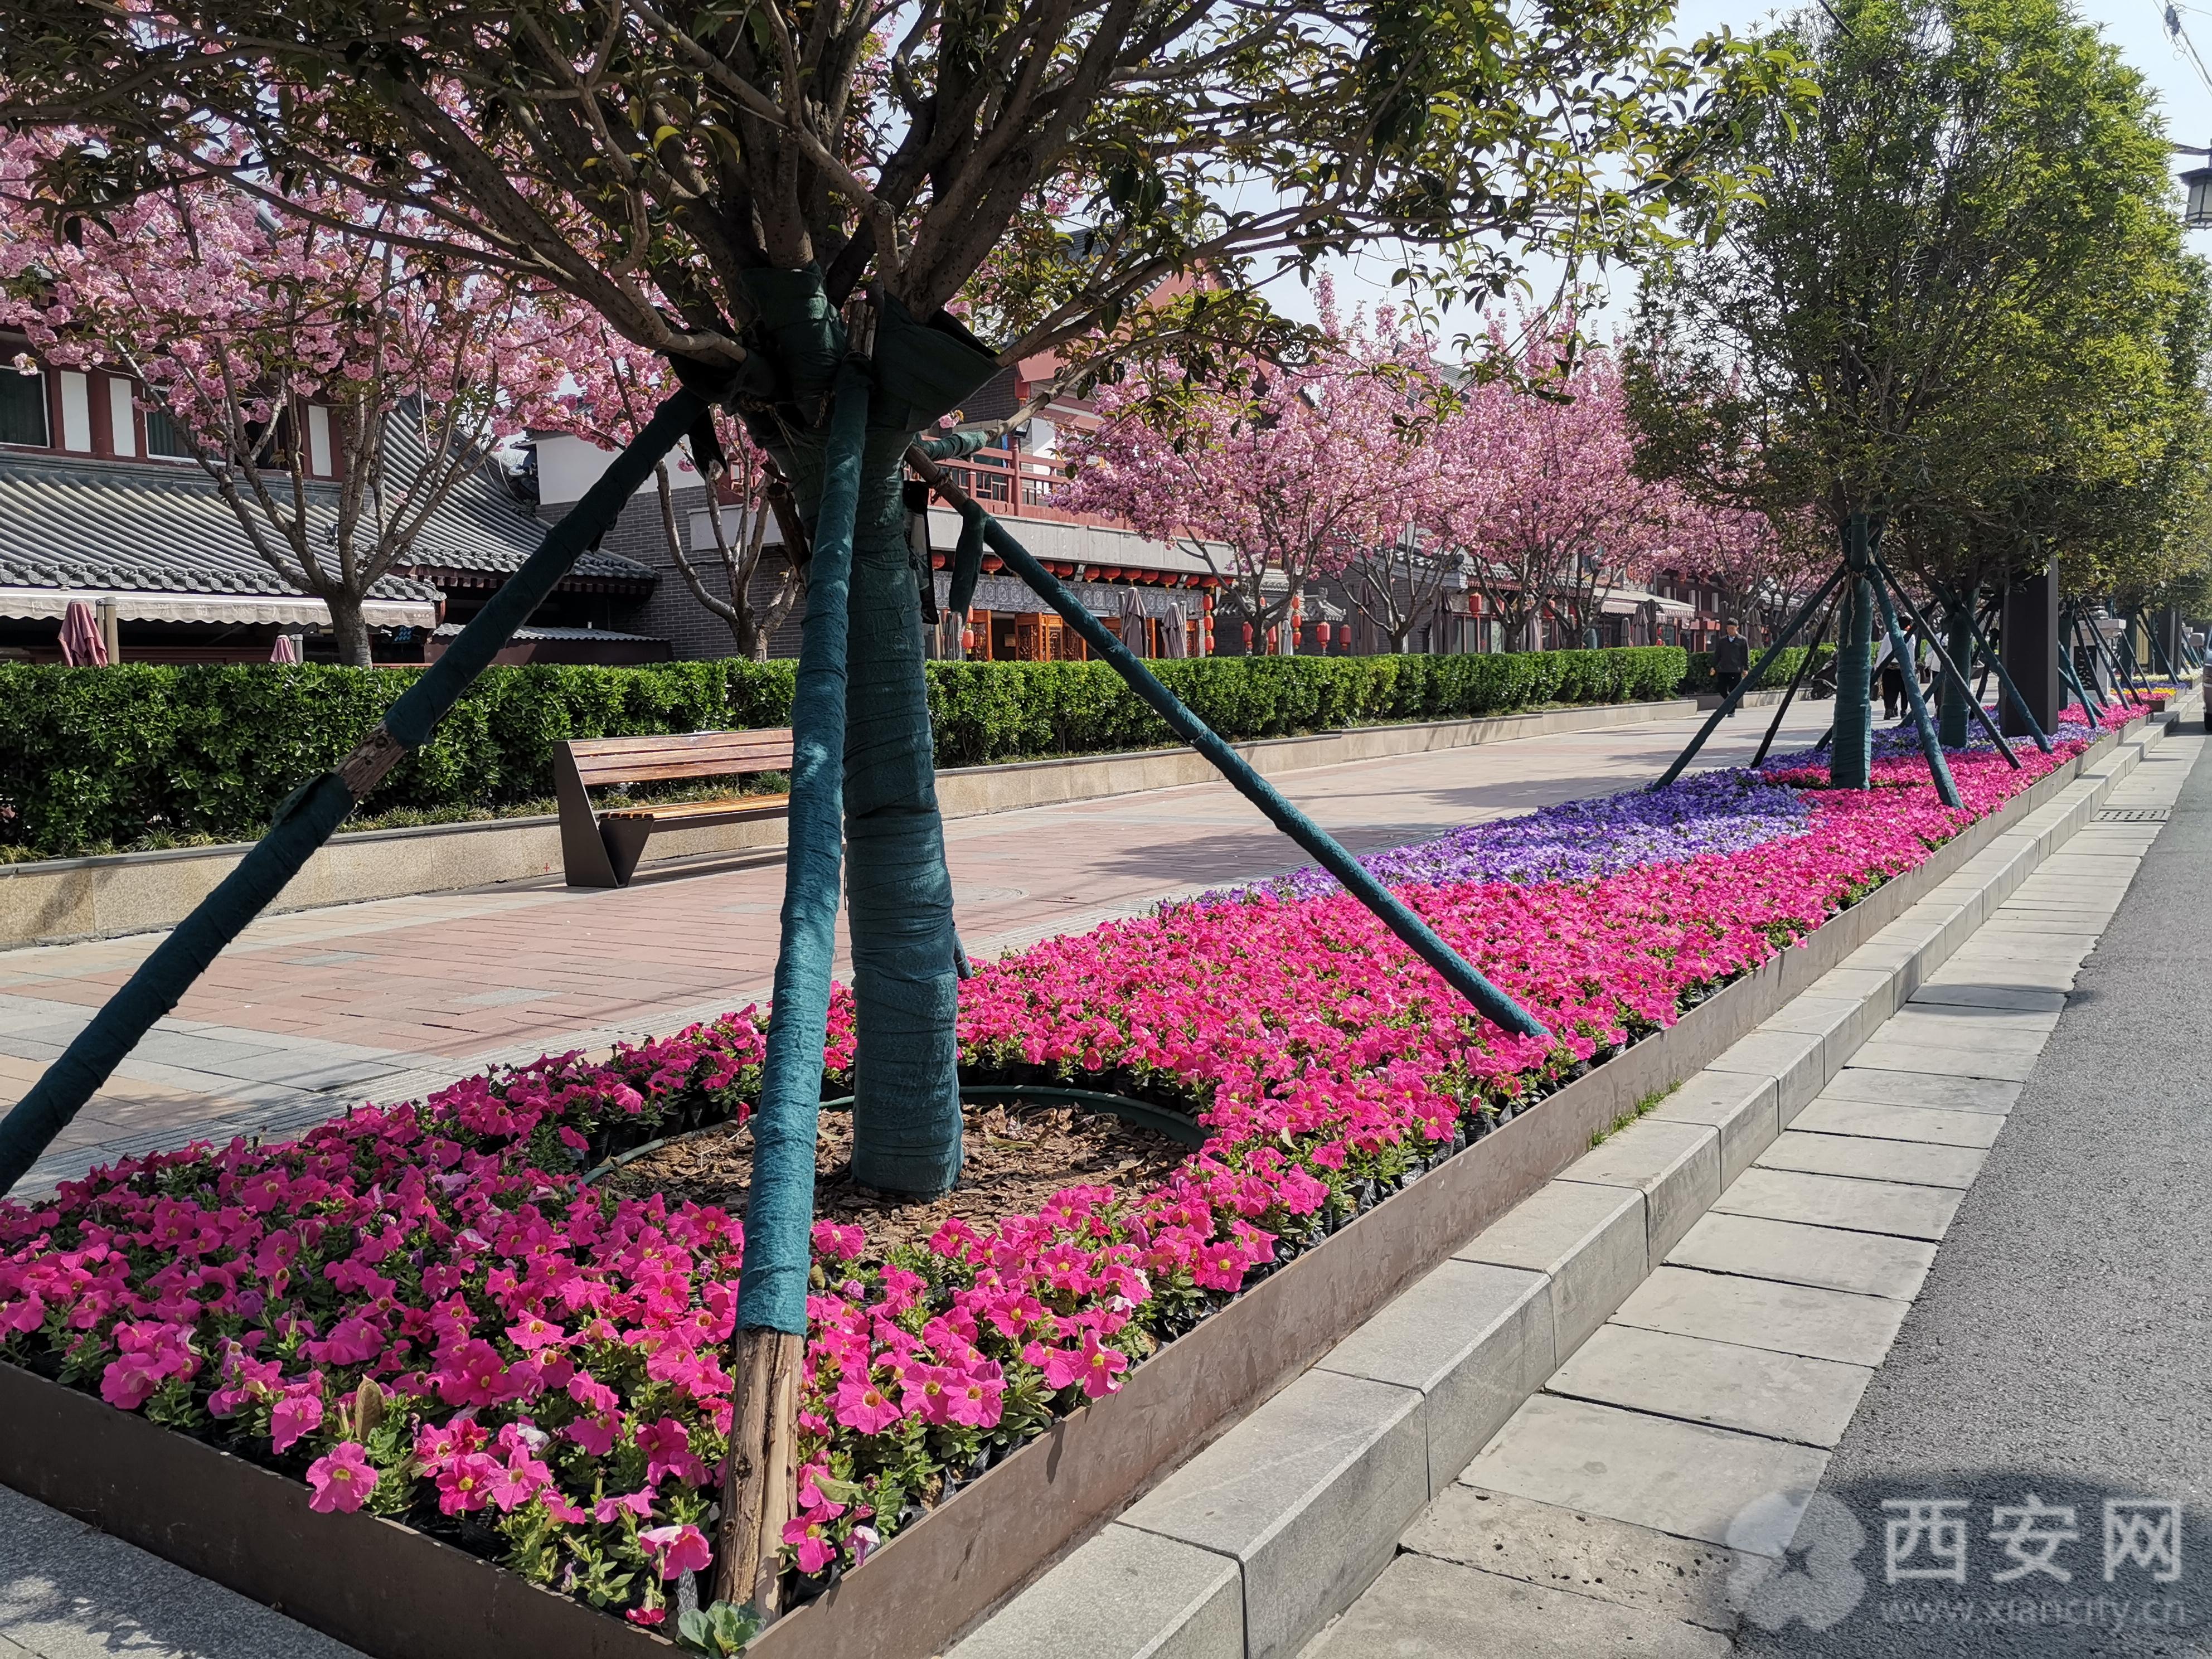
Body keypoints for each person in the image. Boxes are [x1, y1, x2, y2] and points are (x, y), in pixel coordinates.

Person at [1713, 620, 1751, 714]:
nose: (1730, 631)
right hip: (1723, 669)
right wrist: (1713, 666)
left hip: (1736, 670)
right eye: (1728, 629)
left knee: (1733, 691)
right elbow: (1717, 655)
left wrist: (1746, 669)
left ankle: (1731, 711)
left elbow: (1746, 656)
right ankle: (1732, 704)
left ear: (1737, 628)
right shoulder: (1722, 641)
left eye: (1732, 629)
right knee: (1721, 689)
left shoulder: (1742, 640)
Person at [1879, 647, 1907, 721]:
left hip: (1889, 667)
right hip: (1902, 667)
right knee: (1904, 691)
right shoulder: (1911, 637)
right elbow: (1911, 652)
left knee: (1889, 690)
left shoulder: (1888, 635)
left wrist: (1878, 666)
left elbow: (1882, 651)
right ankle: (1903, 711)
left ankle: (1889, 710)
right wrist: (1912, 667)